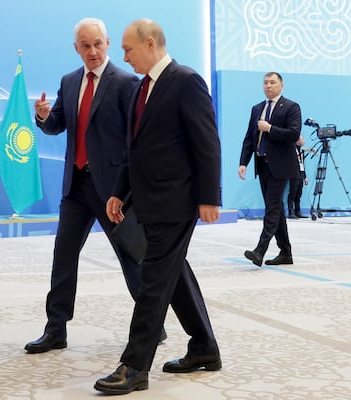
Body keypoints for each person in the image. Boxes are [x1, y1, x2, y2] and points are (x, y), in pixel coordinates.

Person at [94, 19, 222, 395]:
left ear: (150, 44)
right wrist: (119, 192)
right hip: (148, 200)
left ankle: (134, 366)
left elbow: (207, 142)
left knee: (153, 281)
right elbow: (133, 149)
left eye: (128, 49)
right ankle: (204, 348)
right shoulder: (140, 89)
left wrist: (210, 196)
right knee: (173, 274)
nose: (123, 56)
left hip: (175, 202)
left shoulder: (185, 80)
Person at [25, 17, 166, 354]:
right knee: (63, 257)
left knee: (131, 257)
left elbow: (136, 136)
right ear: (76, 48)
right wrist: (44, 116)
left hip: (112, 189)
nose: (92, 51)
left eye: (97, 44)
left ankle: (153, 325)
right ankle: (55, 329)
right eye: (85, 46)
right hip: (75, 187)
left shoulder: (125, 81)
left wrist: (130, 187)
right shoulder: (69, 81)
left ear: (107, 43)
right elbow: (58, 124)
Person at [239, 72, 301, 267]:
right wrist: (243, 163)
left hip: (281, 166)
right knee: (277, 210)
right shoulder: (257, 108)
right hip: (262, 165)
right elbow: (249, 138)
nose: (268, 86)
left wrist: (270, 129)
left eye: (272, 82)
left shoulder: (291, 107)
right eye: (265, 82)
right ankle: (286, 252)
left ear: (281, 85)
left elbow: (293, 134)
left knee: (272, 207)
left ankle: (260, 250)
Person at [287, 135, 308, 219]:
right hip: (294, 174)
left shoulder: (301, 151)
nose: (303, 140)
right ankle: (290, 211)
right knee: (292, 193)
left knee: (298, 194)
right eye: (302, 139)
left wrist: (305, 177)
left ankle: (297, 211)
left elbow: (302, 164)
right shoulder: (292, 150)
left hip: (301, 174)